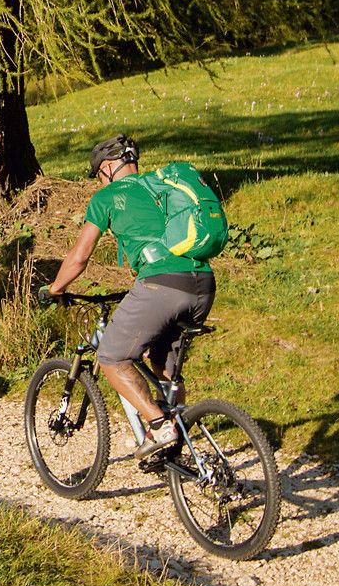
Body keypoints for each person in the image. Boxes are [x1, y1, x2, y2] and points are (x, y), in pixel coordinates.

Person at [37, 135, 219, 456]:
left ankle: (161, 428)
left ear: (107, 168)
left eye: (98, 177)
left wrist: (55, 288)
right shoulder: (159, 187)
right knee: (162, 364)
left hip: (161, 285)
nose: (98, 182)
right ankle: (181, 435)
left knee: (111, 356)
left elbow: (79, 257)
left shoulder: (106, 197)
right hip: (202, 281)